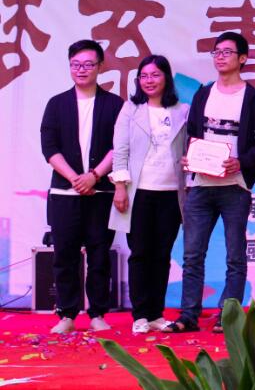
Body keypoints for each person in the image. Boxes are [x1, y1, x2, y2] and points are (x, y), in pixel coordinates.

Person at [166, 32, 255, 334]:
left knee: (235, 255)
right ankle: (188, 315)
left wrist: (242, 162)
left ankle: (228, 316)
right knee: (192, 254)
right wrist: (190, 158)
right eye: (217, 52)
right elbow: (193, 135)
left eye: (227, 52)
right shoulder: (204, 93)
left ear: (243, 58)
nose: (220, 57)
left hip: (235, 186)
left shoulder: (252, 98)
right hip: (201, 184)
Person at [41, 39, 124, 335]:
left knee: (99, 254)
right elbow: (49, 148)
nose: (82, 69)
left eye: (88, 64)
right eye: (76, 64)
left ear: (100, 66)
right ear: (69, 66)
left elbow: (119, 146)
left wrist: (94, 175)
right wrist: (75, 178)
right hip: (64, 193)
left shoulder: (114, 104)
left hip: (100, 193)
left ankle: (98, 313)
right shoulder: (56, 104)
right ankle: (66, 313)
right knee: (65, 255)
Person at [108, 55, 189, 334]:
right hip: (139, 192)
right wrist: (120, 186)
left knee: (162, 254)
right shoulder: (130, 110)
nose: (149, 81)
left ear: (166, 78)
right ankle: (140, 315)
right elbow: (120, 151)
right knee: (140, 253)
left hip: (171, 193)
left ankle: (156, 314)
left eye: (155, 75)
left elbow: (190, 148)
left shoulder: (182, 110)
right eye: (143, 76)